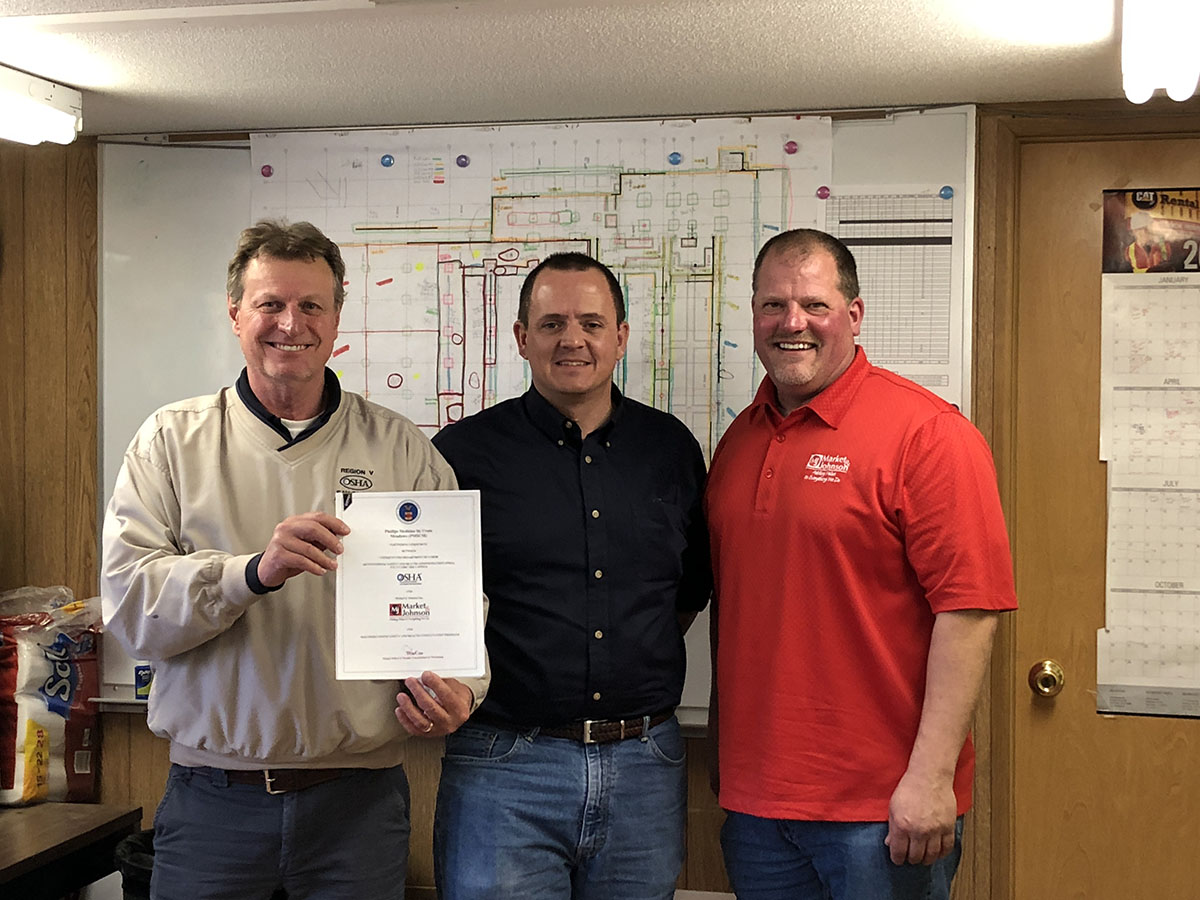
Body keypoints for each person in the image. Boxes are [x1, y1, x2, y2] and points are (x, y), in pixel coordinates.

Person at [101, 219, 489, 900]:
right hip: (212, 799)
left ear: (338, 317)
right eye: (269, 304)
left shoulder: (400, 449)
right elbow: (131, 608)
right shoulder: (170, 441)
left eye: (312, 305)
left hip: (358, 807)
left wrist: (461, 688)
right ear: (234, 314)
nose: (291, 323)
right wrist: (251, 573)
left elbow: (457, 600)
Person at [705, 229, 1017, 900]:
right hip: (757, 805)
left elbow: (969, 613)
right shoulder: (739, 439)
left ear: (854, 314)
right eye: (772, 305)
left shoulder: (929, 435)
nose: (792, 323)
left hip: (881, 813)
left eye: (814, 304)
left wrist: (931, 779)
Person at [430, 252, 711, 900]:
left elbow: (686, 592)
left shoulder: (670, 449)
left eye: (591, 321)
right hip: (504, 767)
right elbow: (429, 600)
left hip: (647, 763)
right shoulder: (462, 454)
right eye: (552, 323)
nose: (572, 339)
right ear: (522, 338)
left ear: (622, 336)